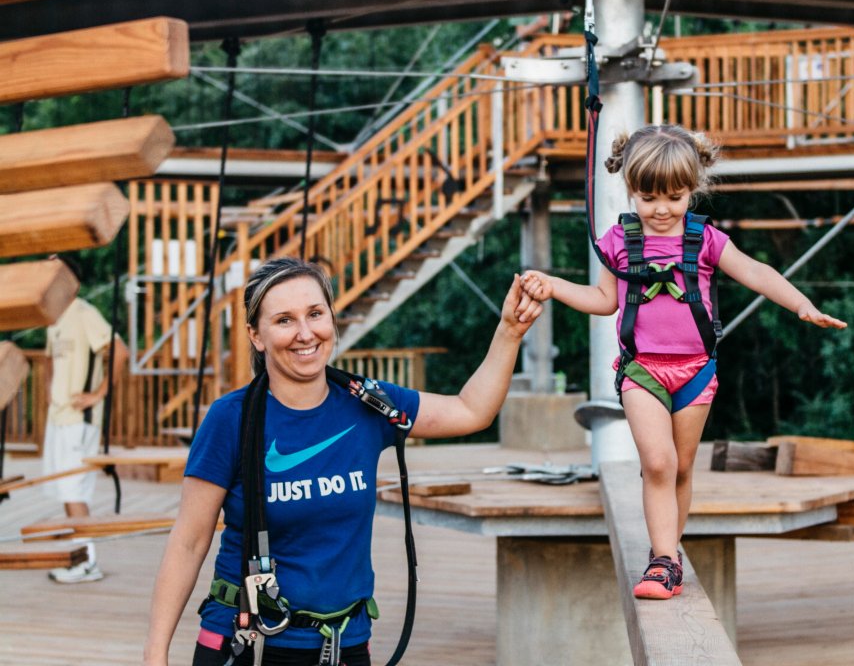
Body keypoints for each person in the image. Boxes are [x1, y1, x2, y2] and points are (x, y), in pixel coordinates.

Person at [144, 257, 541, 666]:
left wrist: (509, 332)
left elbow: (470, 410)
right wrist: (155, 655)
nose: (304, 333)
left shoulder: (367, 402)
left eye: (315, 314)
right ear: (256, 335)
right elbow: (189, 542)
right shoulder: (232, 418)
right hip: (250, 643)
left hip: (345, 645)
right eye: (284, 320)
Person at [516, 124, 846, 600]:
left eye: (673, 197)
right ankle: (663, 562)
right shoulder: (619, 240)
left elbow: (755, 271)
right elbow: (604, 299)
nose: (662, 209)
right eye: (649, 198)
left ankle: (670, 547)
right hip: (641, 371)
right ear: (631, 191)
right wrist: (554, 286)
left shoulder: (705, 239)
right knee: (658, 462)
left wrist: (799, 304)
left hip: (696, 372)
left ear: (692, 190)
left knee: (683, 468)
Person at [42, 255, 128, 584]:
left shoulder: (83, 313)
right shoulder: (54, 317)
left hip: (81, 418)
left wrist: (98, 393)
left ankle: (87, 560)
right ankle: (76, 557)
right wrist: (50, 389)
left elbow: (118, 350)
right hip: (60, 417)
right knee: (66, 492)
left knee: (75, 491)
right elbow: (50, 360)